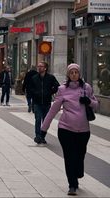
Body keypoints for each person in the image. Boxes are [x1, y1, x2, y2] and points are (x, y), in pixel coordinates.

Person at [41, 63, 98, 195]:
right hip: (65, 129)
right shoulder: (62, 90)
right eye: (71, 73)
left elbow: (96, 105)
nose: (73, 75)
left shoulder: (86, 88)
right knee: (69, 157)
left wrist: (89, 101)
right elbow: (53, 110)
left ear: (79, 74)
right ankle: (72, 185)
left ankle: (78, 172)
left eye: (76, 72)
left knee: (80, 155)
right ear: (68, 75)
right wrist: (43, 129)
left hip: (83, 131)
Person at [30, 61, 60, 144]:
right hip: (37, 103)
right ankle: (37, 136)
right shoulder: (34, 78)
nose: (39, 68)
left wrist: (50, 92)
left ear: (45, 68)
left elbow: (57, 86)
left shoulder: (50, 77)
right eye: (38, 66)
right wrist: (35, 94)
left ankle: (43, 136)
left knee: (45, 121)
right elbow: (30, 89)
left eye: (41, 66)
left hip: (47, 103)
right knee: (38, 119)